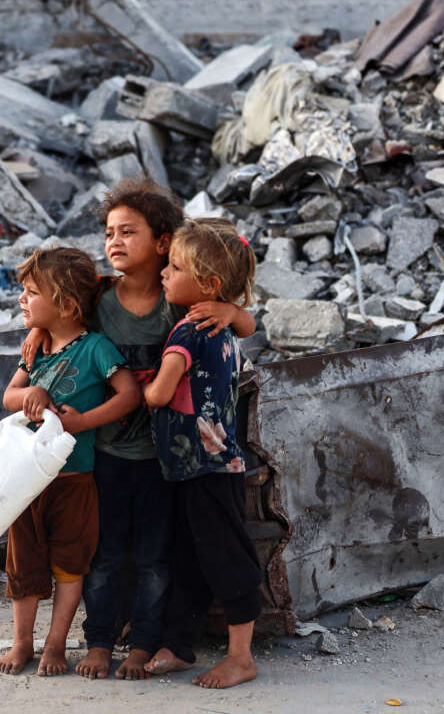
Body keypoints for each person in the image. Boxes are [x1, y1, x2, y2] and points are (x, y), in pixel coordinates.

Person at [21, 179, 256, 681]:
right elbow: (60, 317)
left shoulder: (183, 300)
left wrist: (233, 311)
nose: (114, 241)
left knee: (157, 554)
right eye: (109, 232)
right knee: (104, 553)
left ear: (164, 242)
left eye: (129, 231)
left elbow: (243, 325)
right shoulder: (99, 297)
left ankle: (148, 640)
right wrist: (40, 330)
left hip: (163, 459)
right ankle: (103, 638)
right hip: (105, 451)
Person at [0, 247, 142, 677]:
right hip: (27, 480)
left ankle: (55, 644)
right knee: (23, 564)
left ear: (66, 304)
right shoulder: (35, 349)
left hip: (75, 479)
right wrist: (31, 396)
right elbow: (9, 398)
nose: (22, 299)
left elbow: (130, 394)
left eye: (31, 292)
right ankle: (22, 641)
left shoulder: (95, 348)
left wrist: (82, 424)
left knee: (69, 565)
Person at [141, 217, 263, 690]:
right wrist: (231, 310)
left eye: (173, 267)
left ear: (208, 286)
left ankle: (241, 657)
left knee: (225, 558)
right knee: (192, 556)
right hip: (201, 466)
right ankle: (180, 644)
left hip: (204, 466)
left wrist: (142, 384)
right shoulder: (222, 326)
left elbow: (160, 395)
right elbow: (247, 321)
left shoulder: (188, 334)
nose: (164, 274)